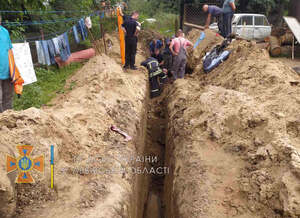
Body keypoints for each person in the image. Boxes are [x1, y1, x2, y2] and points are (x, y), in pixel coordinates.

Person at [0, 15, 14, 113]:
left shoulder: (5, 32)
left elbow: (10, 50)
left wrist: (13, 68)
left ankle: (9, 118)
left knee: (8, 97)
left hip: (8, 71)